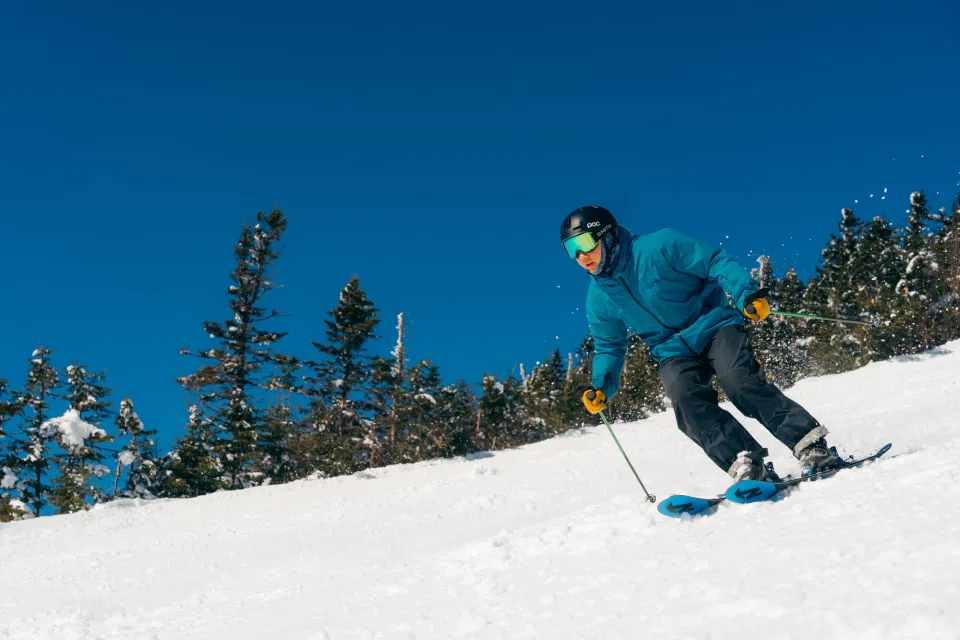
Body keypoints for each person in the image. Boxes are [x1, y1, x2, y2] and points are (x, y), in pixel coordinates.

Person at [560, 205, 841, 481]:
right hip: (671, 351)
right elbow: (610, 346)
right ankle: (746, 463)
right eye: (571, 250)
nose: (581, 256)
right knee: (685, 400)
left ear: (606, 235)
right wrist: (601, 386)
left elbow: (714, 261)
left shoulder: (658, 246)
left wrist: (746, 294)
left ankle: (810, 445)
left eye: (584, 243)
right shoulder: (598, 297)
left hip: (715, 325)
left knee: (739, 381)